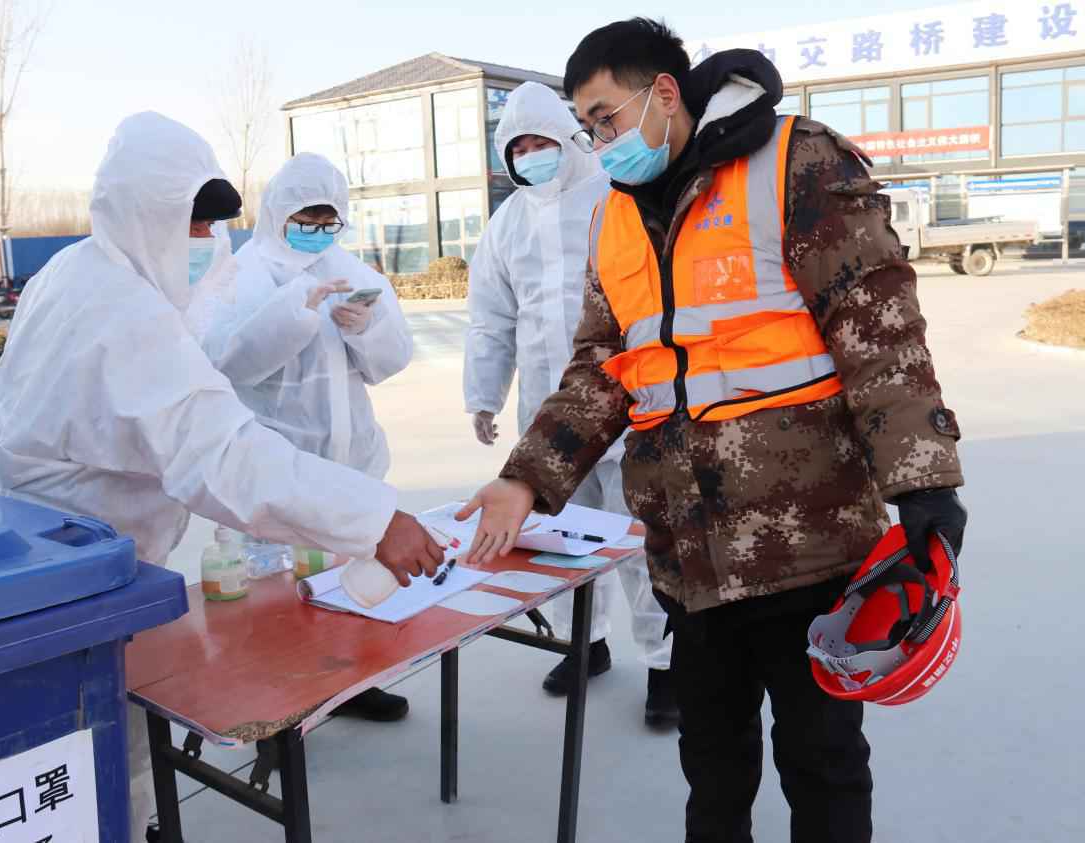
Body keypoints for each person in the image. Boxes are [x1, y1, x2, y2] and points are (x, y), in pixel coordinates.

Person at [458, 19, 968, 843]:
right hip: (688, 560)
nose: (597, 141)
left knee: (822, 766)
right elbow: (600, 368)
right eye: (586, 126)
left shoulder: (793, 163)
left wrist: (925, 484)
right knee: (713, 776)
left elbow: (879, 332)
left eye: (604, 119)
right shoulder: (616, 219)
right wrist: (524, 477)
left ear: (663, 92)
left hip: (810, 550)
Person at [0, 112, 443, 843]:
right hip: (76, 575)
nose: (205, 242)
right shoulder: (123, 312)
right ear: (142, 213)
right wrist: (376, 520)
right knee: (102, 756)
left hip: (33, 555)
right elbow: (222, 454)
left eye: (213, 223)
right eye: (191, 224)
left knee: (67, 752)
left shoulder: (75, 271)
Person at [462, 81, 676, 727]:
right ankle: (582, 643)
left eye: (541, 141)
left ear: (568, 137)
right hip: (546, 415)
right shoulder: (505, 225)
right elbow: (490, 320)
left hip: (629, 402)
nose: (532, 154)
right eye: (518, 148)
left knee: (642, 541)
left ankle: (668, 665)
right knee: (561, 542)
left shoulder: (615, 197)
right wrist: (482, 394)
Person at [200, 152, 414, 720]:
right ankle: (276, 704)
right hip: (278, 468)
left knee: (349, 583)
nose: (317, 233)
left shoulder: (356, 272)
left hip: (349, 463)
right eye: (306, 220)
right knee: (273, 598)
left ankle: (352, 682)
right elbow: (227, 362)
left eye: (327, 222)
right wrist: (291, 316)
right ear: (277, 214)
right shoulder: (244, 273)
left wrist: (368, 330)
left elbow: (390, 362)